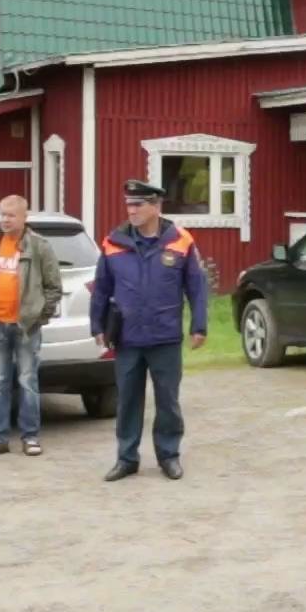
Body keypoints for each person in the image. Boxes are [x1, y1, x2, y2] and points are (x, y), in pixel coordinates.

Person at [91, 179, 207, 482]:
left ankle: (169, 455)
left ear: (156, 206)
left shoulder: (180, 240)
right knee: (128, 400)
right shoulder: (113, 241)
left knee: (168, 400)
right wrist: (97, 325)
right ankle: (126, 458)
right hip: (127, 337)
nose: (131, 210)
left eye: (138, 204)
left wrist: (199, 325)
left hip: (165, 336)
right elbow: (102, 289)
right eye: (129, 204)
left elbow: (196, 287)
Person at [0, 196, 62, 458]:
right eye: (2, 215)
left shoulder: (39, 246)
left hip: (26, 327)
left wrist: (38, 317)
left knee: (27, 381)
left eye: (11, 215)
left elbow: (54, 288)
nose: (6, 220)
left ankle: (30, 437)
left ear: (24, 217)